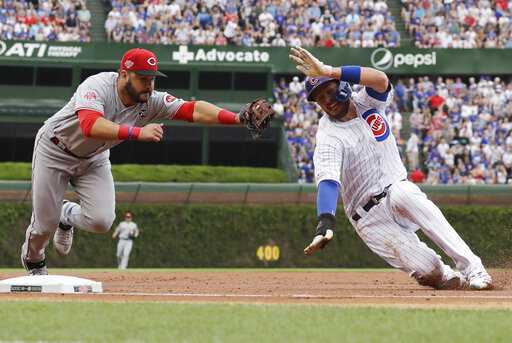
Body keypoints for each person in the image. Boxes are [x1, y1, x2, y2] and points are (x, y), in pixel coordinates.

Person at [21, 47, 273, 275]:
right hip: (55, 150)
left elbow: (192, 109)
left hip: (93, 158)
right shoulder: (96, 85)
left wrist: (237, 118)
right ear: (123, 75)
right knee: (44, 224)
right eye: (143, 78)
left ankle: (66, 215)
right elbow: (90, 125)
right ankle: (34, 261)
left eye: (152, 78)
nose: (149, 85)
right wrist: (137, 132)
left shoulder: (150, 101)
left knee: (101, 221)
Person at [289, 46, 492, 290]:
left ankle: (474, 268)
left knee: (405, 193)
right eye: (319, 98)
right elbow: (329, 181)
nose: (326, 101)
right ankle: (448, 274)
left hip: (396, 192)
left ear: (342, 85)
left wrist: (329, 71)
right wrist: (325, 222)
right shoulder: (328, 135)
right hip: (368, 218)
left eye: (329, 92)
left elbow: (380, 79)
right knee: (434, 275)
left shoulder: (368, 102)